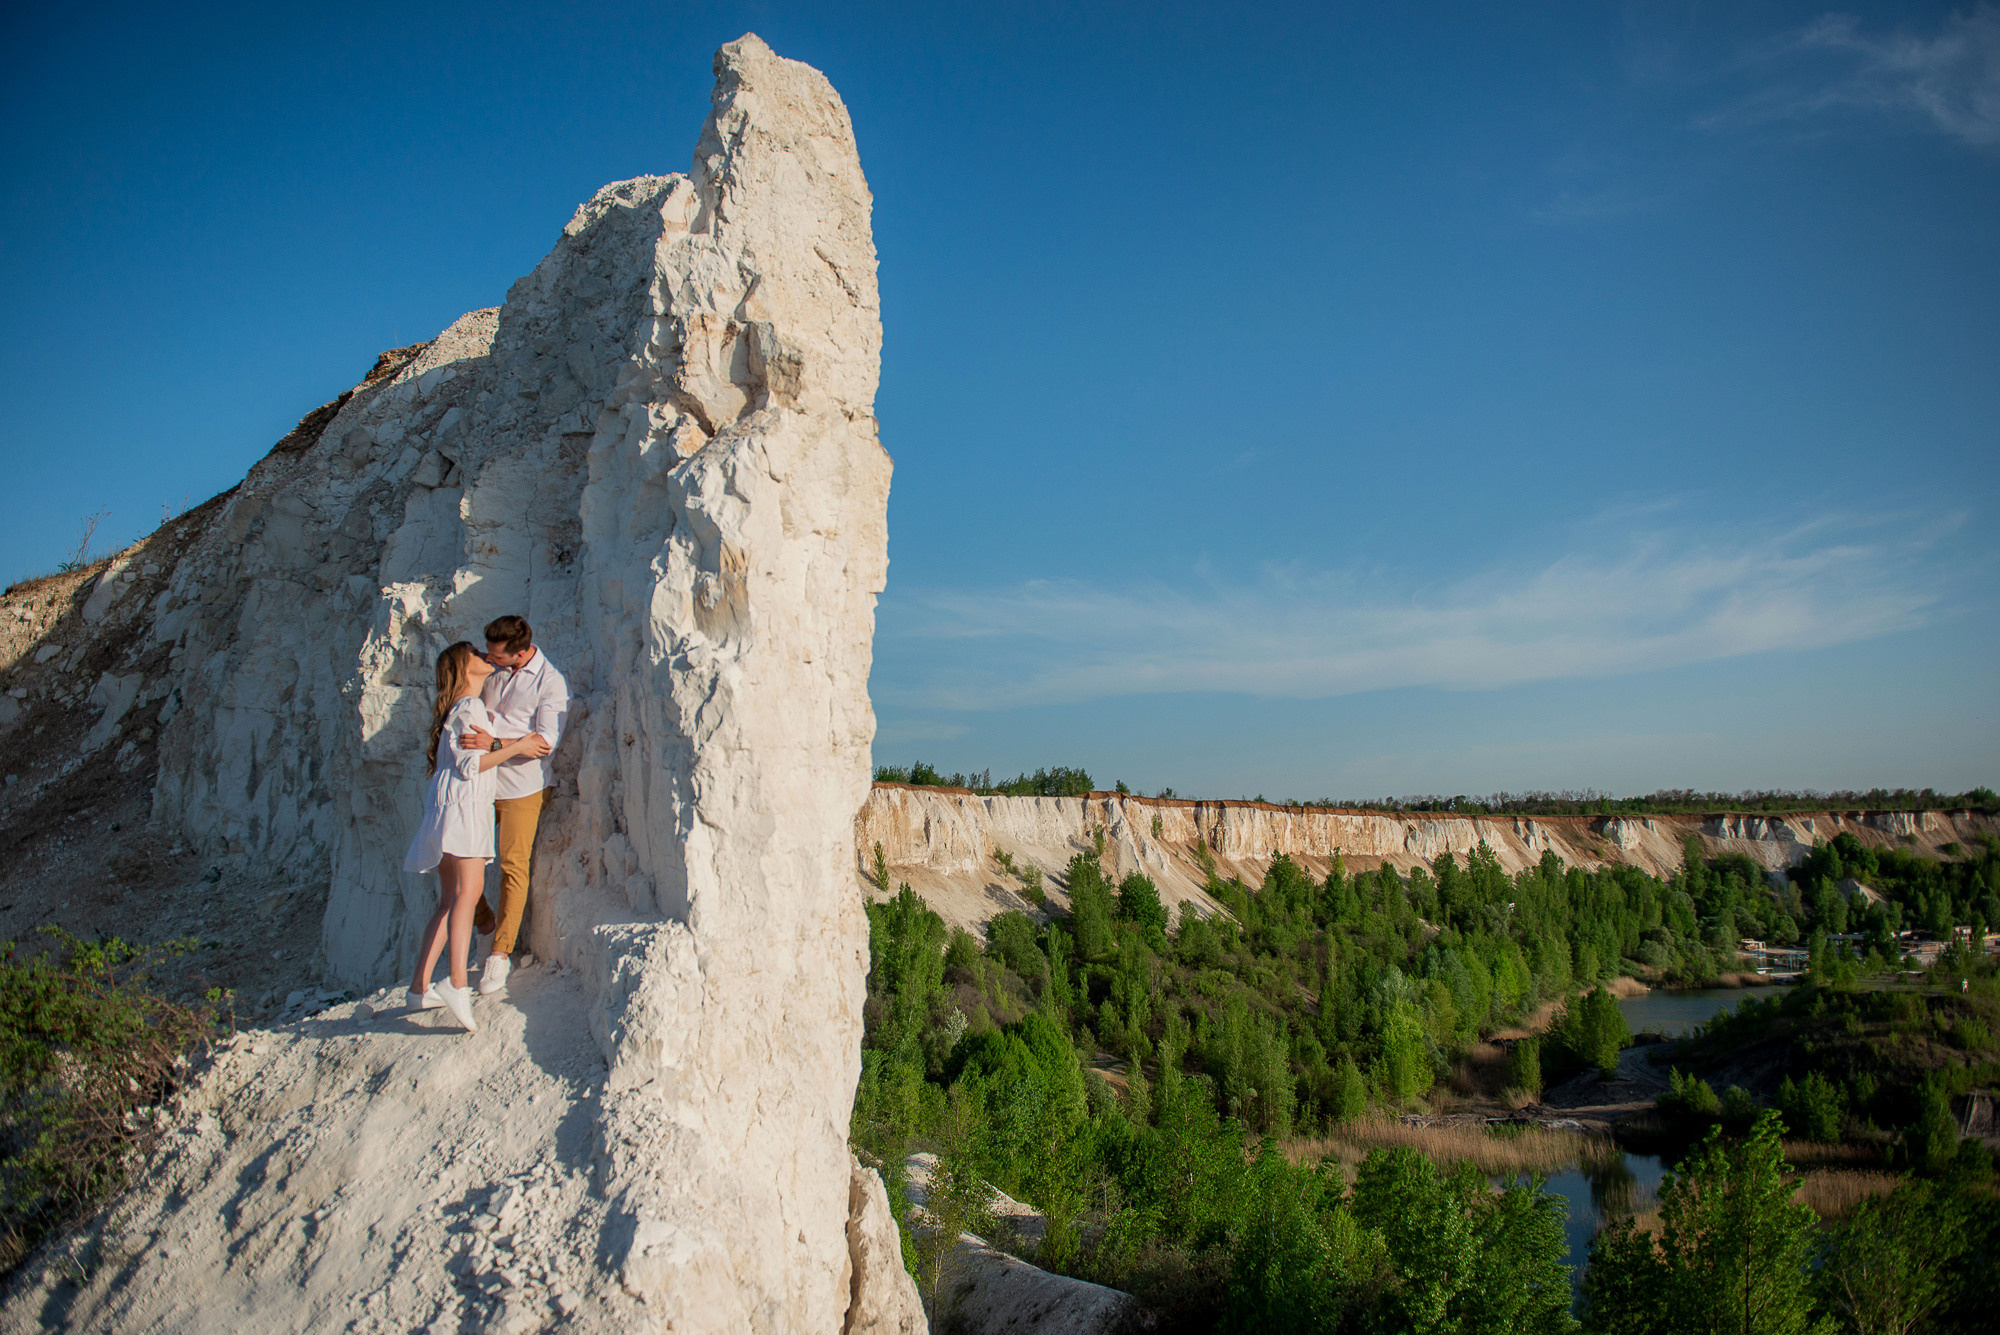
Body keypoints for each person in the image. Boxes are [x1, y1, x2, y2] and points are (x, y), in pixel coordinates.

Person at [404, 642, 550, 1030]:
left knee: (448, 900)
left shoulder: (456, 708)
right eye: (475, 653)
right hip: (466, 805)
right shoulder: (470, 708)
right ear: (463, 668)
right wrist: (519, 744)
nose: (485, 656)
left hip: (445, 805)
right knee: (468, 895)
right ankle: (455, 983)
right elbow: (474, 765)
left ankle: (418, 989)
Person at [458, 614, 569, 995]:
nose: (490, 660)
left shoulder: (551, 683)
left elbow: (544, 742)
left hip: (522, 786)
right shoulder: (491, 670)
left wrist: (495, 744)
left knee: (512, 866)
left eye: (498, 655)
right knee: (455, 855)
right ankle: (485, 924)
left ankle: (499, 955)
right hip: (481, 780)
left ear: (520, 654)